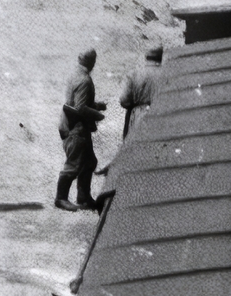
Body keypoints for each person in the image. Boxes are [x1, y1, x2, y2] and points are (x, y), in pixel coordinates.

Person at [56, 48, 106, 211]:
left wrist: (96, 105)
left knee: (89, 161)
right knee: (74, 164)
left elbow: (76, 101)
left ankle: (84, 197)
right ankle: (61, 198)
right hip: (76, 127)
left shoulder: (74, 75)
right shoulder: (84, 80)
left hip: (72, 124)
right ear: (92, 62)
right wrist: (98, 115)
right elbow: (80, 108)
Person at [118, 45, 164, 140]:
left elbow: (124, 100)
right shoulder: (167, 74)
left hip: (138, 116)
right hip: (160, 117)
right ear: (161, 57)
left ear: (146, 56)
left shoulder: (134, 73)